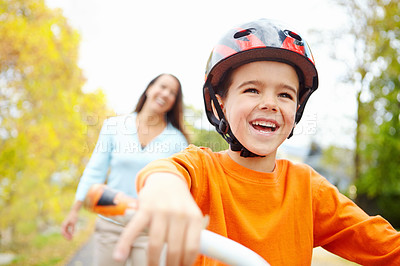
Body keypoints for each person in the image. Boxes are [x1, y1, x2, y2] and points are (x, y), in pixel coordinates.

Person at [112, 19, 400, 266]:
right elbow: (165, 172)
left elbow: (383, 243)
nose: (270, 104)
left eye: (285, 95)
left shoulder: (308, 189)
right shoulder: (202, 168)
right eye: (252, 90)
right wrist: (165, 188)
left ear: (297, 110)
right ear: (219, 105)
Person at [61, 73, 189, 265]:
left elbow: (178, 188)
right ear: (150, 88)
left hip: (150, 227)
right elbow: (95, 171)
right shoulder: (114, 126)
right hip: (111, 221)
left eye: (173, 93)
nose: (166, 94)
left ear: (174, 102)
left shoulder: (177, 141)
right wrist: (74, 210)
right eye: (162, 87)